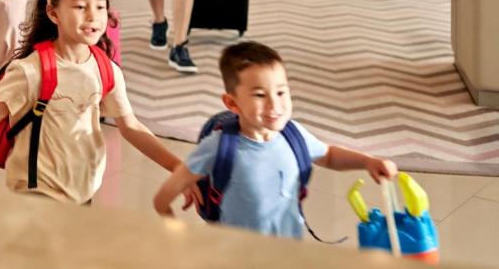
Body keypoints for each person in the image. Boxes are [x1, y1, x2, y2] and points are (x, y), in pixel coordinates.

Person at [0, 0, 200, 206]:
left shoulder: (105, 69)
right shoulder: (30, 70)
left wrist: (178, 168)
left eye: (100, 6)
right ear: (53, 12)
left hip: (81, 189)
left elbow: (130, 126)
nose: (92, 16)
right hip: (36, 189)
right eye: (80, 6)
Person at [152, 41, 397, 238]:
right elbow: (162, 199)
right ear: (232, 103)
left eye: (281, 91)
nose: (274, 104)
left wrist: (368, 162)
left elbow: (329, 155)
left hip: (287, 251)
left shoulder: (294, 135)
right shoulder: (219, 147)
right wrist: (175, 231)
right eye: (260, 94)